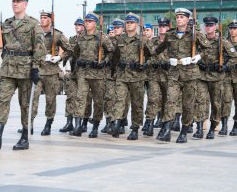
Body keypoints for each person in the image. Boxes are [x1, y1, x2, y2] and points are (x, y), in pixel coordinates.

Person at [0, 0, 46, 150]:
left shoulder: (33, 24)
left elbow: (40, 48)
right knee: (3, 100)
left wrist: (35, 68)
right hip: (8, 69)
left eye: (18, 1)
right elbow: (5, 46)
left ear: (25, 4)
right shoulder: (6, 24)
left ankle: (25, 138)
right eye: (13, 1)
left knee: (25, 105)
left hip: (26, 70)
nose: (15, 4)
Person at [155, 8, 209, 143]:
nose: (179, 19)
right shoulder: (170, 34)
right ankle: (166, 129)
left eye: (182, 17)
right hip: (174, 73)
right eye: (177, 17)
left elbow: (208, 49)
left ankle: (184, 131)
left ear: (187, 19)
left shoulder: (195, 34)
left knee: (188, 104)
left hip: (190, 74)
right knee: (170, 100)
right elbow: (158, 50)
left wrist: (198, 56)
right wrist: (167, 59)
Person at [192, 17, 237, 140]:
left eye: (211, 25)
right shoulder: (199, 41)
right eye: (206, 25)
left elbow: (235, 57)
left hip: (216, 77)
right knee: (200, 101)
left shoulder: (222, 42)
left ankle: (213, 128)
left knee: (216, 103)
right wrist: (198, 63)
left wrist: (224, 67)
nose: (208, 28)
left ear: (216, 27)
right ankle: (200, 127)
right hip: (202, 75)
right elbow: (193, 54)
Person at [71, 12, 114, 138]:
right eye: (86, 21)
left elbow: (111, 52)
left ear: (95, 23)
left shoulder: (102, 37)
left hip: (98, 74)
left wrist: (104, 62)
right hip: (83, 73)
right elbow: (75, 52)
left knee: (98, 101)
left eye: (90, 21)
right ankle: (78, 126)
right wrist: (77, 62)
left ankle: (95, 126)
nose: (87, 23)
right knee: (80, 98)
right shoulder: (81, 37)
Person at [110, 12, 152, 140]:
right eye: (127, 23)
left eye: (131, 23)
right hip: (122, 76)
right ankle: (117, 122)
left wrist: (145, 65)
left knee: (136, 104)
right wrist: (117, 68)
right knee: (119, 100)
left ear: (137, 25)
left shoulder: (143, 40)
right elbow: (115, 57)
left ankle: (135, 128)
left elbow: (152, 56)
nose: (129, 25)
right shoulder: (120, 39)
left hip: (137, 77)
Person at [34, 9, 71, 136]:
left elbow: (70, 49)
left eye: (45, 17)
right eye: (41, 17)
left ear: (51, 20)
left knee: (50, 100)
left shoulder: (57, 35)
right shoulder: (36, 33)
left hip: (51, 72)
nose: (42, 19)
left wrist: (60, 57)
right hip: (37, 71)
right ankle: (28, 124)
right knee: (33, 97)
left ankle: (48, 124)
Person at [60, 18, 92, 133]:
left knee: (85, 99)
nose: (77, 27)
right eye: (76, 25)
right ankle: (69, 122)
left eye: (79, 25)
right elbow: (69, 51)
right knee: (70, 97)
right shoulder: (72, 39)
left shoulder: (87, 38)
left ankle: (83, 123)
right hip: (73, 71)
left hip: (84, 72)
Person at [142, 19, 170, 137]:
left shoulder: (173, 41)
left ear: (168, 27)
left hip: (168, 76)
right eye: (160, 26)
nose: (162, 28)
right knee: (153, 99)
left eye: (164, 26)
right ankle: (149, 123)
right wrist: (149, 63)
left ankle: (165, 125)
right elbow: (146, 56)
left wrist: (169, 62)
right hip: (154, 75)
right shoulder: (152, 41)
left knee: (166, 102)